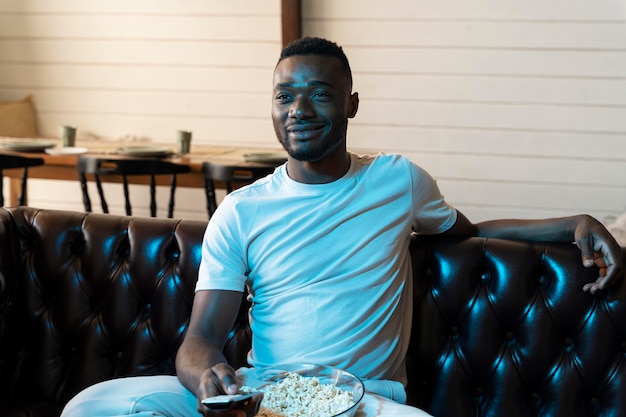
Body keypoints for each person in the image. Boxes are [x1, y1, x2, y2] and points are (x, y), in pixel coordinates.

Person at [61, 36, 623, 417]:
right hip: (266, 395)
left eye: (320, 94)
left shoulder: (398, 182)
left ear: (351, 105)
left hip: (366, 400)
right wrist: (209, 378)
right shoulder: (242, 210)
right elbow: (201, 341)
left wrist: (570, 223)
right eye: (284, 96)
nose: (299, 109)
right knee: (92, 405)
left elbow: (468, 233)